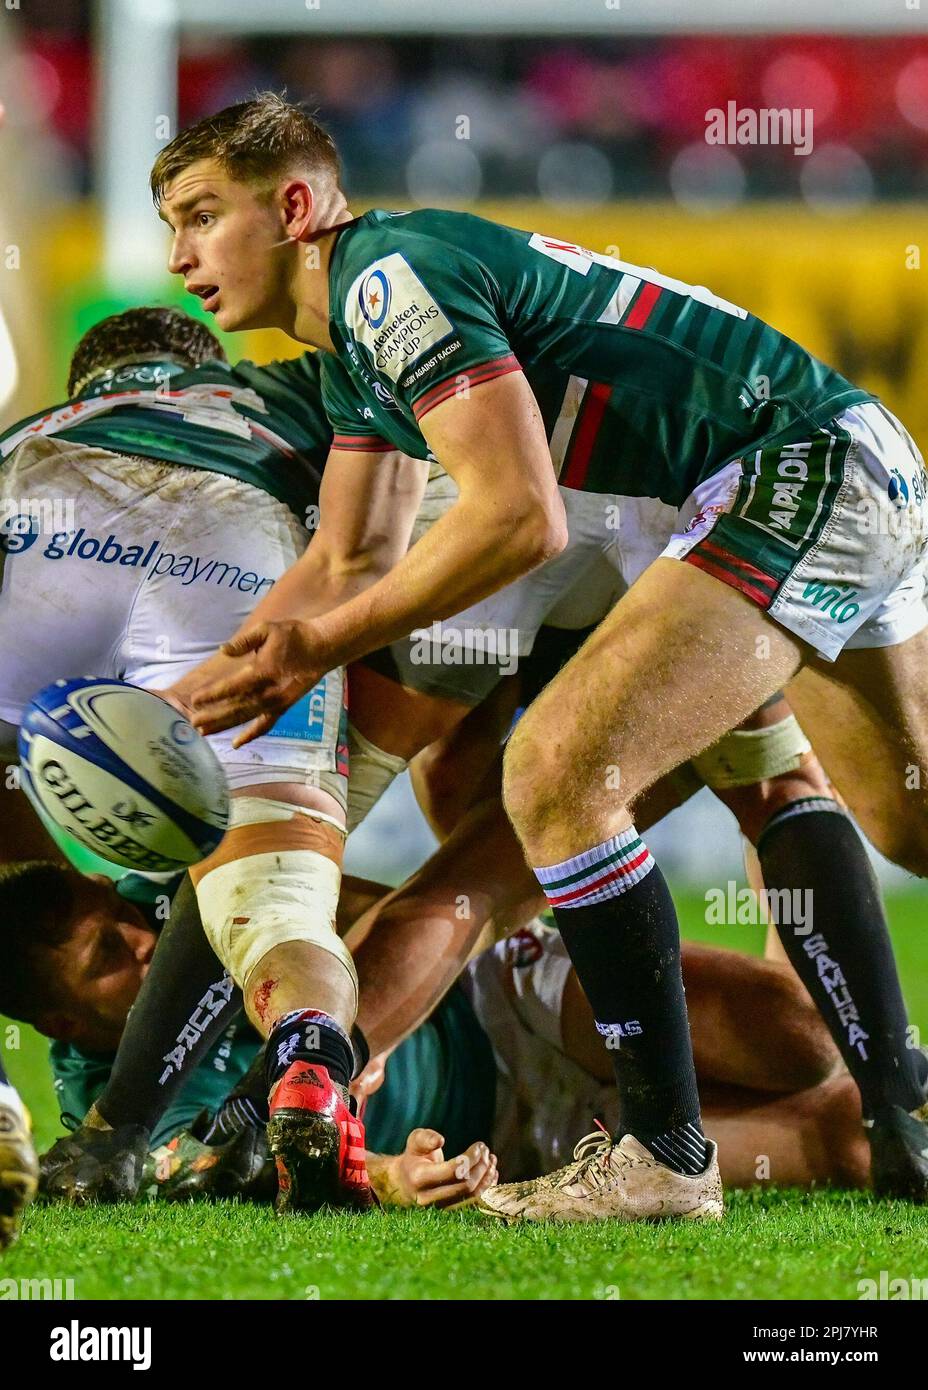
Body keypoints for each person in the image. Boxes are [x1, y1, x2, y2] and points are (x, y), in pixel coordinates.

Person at [151, 93, 928, 1221]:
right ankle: (902, 1111)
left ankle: (664, 1155)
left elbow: (520, 517)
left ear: (298, 205)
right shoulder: (356, 343)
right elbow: (352, 552)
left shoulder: (384, 282)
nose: (181, 255)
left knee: (558, 770)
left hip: (781, 473)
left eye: (202, 216)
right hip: (827, 465)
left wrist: (317, 649)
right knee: (906, 820)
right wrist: (174, 704)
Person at [0, 859, 878, 1210]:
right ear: (63, 1023)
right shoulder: (113, 1105)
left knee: (803, 1037)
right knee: (849, 1142)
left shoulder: (194, 894)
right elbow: (230, 1172)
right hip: (520, 1147)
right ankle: (786, 815)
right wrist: (392, 1173)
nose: (149, 942)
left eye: (126, 915)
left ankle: (779, 805)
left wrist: (404, 970)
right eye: (109, 953)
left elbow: (370, 899)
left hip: (503, 1001)